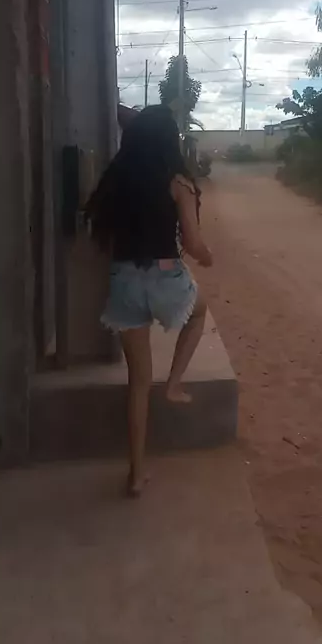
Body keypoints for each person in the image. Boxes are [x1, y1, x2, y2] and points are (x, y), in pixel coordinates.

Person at [85, 105, 213, 497]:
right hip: (165, 276)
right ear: (169, 141)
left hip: (124, 280)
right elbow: (192, 242)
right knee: (199, 312)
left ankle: (136, 474)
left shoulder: (118, 180)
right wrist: (207, 257)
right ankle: (173, 384)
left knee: (138, 382)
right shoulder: (178, 183)